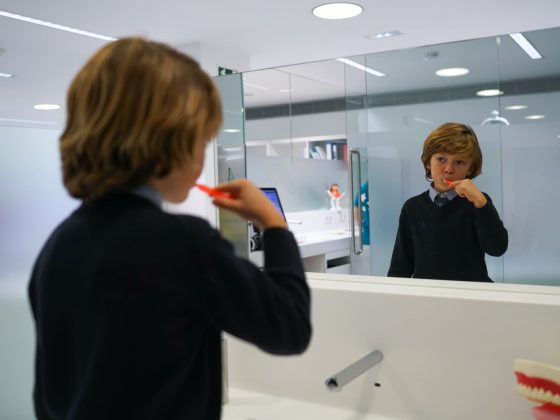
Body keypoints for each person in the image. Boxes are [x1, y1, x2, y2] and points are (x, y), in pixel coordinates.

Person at [28, 38, 311, 420]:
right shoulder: (184, 244)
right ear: (168, 137)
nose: (201, 155)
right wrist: (274, 225)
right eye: (201, 138)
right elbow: (289, 328)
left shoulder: (58, 245)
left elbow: (52, 393)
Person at [387, 122, 508, 282]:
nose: (449, 169)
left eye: (460, 162)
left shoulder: (478, 202)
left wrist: (481, 203)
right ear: (428, 163)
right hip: (427, 297)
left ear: (470, 168)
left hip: (472, 296)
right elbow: (400, 265)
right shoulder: (412, 207)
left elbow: (497, 249)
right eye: (441, 159)